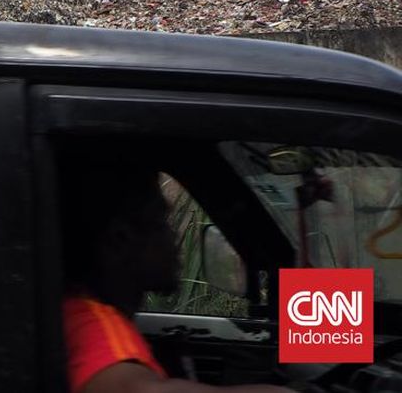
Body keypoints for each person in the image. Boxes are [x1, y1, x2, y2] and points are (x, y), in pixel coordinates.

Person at [60, 167, 290, 393]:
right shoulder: (93, 323)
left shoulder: (79, 312)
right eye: (160, 222)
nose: (174, 236)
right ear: (121, 238)